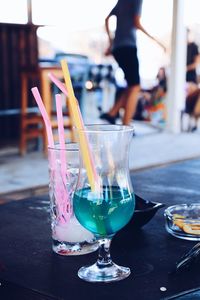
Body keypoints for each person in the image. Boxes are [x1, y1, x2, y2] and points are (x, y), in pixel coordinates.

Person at [100, 0, 166, 126]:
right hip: (128, 47)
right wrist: (156, 41)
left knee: (131, 84)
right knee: (135, 86)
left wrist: (111, 42)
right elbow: (136, 22)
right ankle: (126, 124)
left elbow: (107, 19)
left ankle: (112, 114)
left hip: (118, 48)